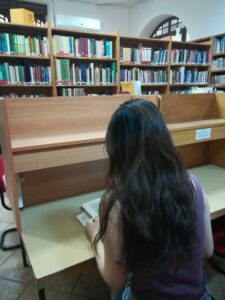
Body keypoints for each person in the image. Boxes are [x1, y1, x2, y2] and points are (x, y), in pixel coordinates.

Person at [85, 98, 214, 300]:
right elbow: (208, 250)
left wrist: (94, 236)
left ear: (117, 148)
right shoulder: (194, 186)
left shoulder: (115, 203)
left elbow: (114, 279)